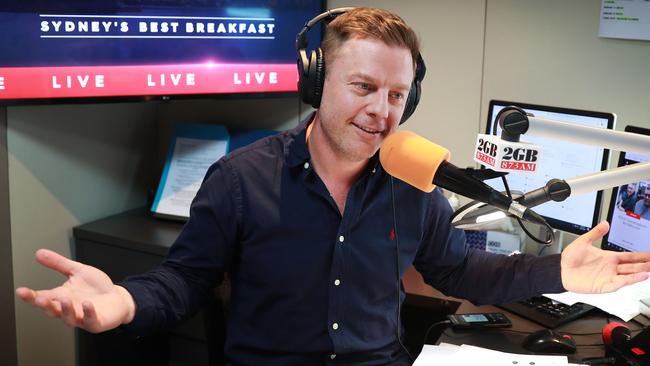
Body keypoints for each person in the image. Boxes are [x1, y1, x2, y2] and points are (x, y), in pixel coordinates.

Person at [15, 7, 650, 366]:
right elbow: (184, 279)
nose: (382, 110)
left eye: (397, 94)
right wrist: (122, 302)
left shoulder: (415, 187)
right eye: (364, 87)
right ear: (318, 84)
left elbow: (459, 274)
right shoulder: (240, 180)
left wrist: (558, 273)